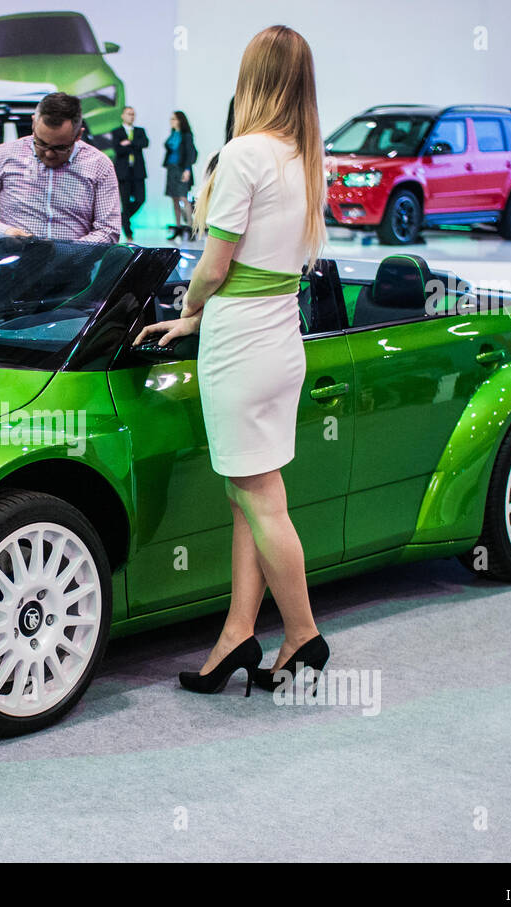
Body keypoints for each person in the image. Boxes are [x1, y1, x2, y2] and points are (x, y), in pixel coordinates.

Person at [135, 25, 331, 696]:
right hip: (281, 337)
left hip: (240, 339)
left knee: (260, 499)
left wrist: (190, 310)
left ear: (253, 78)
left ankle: (302, 632)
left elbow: (214, 266)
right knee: (249, 493)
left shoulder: (244, 154)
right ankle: (237, 633)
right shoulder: (305, 157)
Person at [0, 92, 120, 243]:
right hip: (14, 267)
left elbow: (108, 230)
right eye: (41, 143)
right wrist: (3, 231)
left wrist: (69, 252)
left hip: (74, 270)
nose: (49, 154)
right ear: (33, 123)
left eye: (60, 148)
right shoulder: (4, 155)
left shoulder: (99, 165)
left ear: (78, 135)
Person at [110, 106, 148, 240]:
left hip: (137, 171)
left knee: (140, 199)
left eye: (133, 114)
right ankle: (128, 230)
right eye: (129, 114)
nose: (131, 116)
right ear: (122, 116)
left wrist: (129, 143)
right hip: (123, 172)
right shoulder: (117, 132)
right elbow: (118, 149)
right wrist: (133, 145)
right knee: (125, 202)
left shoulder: (139, 131)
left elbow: (144, 143)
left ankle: (122, 218)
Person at [163, 110, 197, 239]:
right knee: (174, 198)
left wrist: (187, 169)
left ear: (180, 120)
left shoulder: (186, 135)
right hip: (171, 168)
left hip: (182, 169)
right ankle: (177, 227)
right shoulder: (173, 134)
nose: (171, 121)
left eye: (174, 119)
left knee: (184, 198)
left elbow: (190, 153)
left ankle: (190, 226)